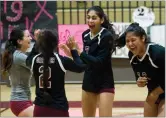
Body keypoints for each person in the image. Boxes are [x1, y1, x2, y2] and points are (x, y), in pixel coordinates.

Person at [61, 6, 118, 117]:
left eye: (94, 18)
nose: (90, 21)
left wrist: (78, 51)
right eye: (88, 18)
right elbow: (84, 63)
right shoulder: (86, 35)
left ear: (101, 20)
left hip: (105, 82)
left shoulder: (107, 36)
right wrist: (72, 53)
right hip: (89, 81)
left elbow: (99, 63)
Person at [28, 29, 86, 117]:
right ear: (55, 44)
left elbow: (30, 57)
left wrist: (38, 41)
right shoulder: (60, 60)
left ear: (39, 44)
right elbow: (81, 67)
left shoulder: (33, 60)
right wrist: (73, 50)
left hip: (39, 109)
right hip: (59, 109)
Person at [115, 22, 165, 117]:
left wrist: (156, 92)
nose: (130, 44)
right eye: (127, 41)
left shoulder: (157, 53)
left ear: (143, 38)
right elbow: (140, 79)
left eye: (133, 40)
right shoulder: (132, 56)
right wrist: (139, 82)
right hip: (153, 95)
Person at [1, 28, 39, 117]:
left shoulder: (18, 55)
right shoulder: (18, 56)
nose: (30, 38)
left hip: (23, 100)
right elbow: (35, 62)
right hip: (20, 102)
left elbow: (32, 59)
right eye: (28, 36)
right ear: (20, 41)